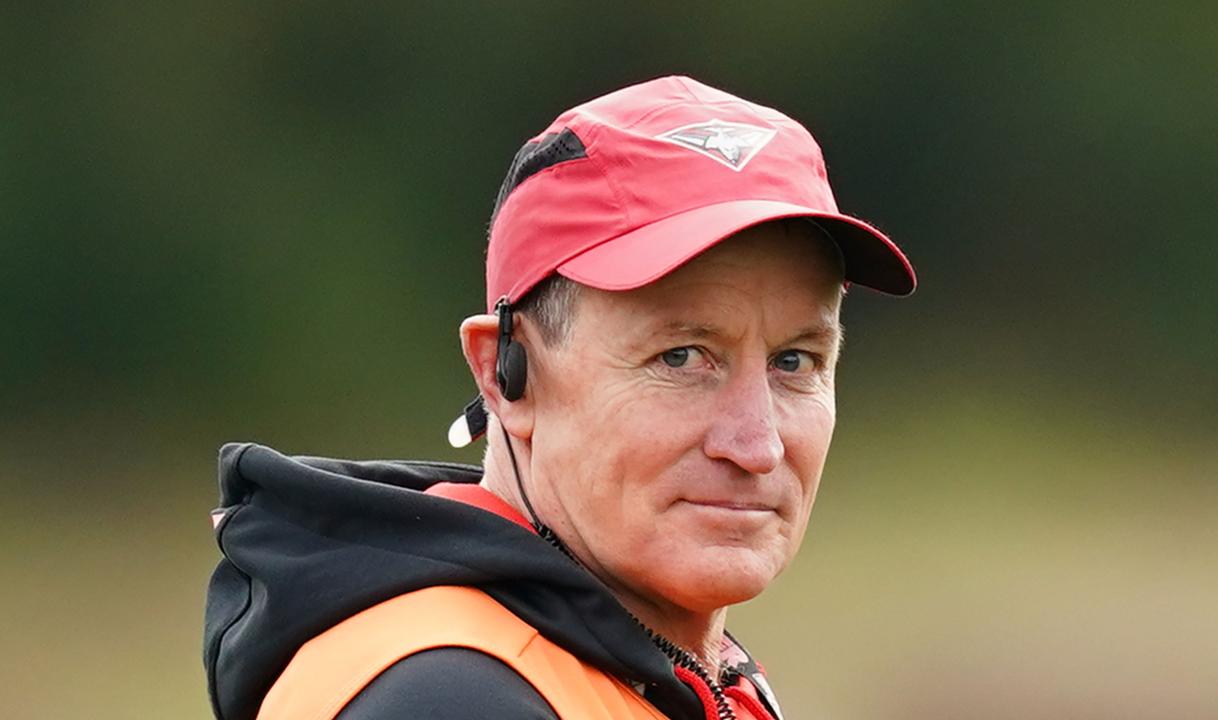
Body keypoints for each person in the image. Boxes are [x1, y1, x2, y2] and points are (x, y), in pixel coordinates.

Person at [203, 75, 915, 720]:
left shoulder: (653, 664)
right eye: (681, 357)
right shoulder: (453, 698)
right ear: (503, 375)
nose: (756, 445)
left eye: (796, 361)